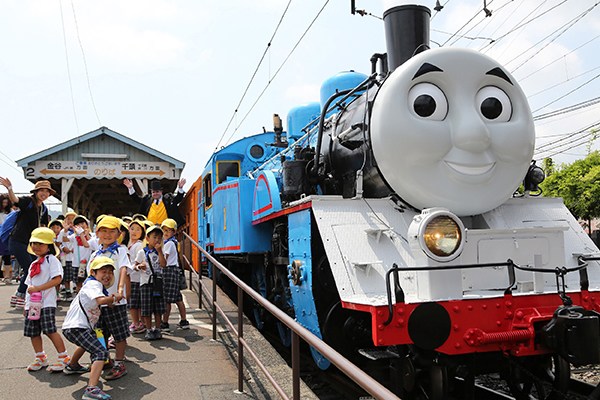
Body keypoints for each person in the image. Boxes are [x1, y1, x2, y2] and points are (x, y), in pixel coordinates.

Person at [62, 256, 123, 400]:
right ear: (93, 273)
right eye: (103, 271)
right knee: (100, 352)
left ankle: (73, 365)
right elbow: (101, 300)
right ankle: (91, 390)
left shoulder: (93, 285)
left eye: (110, 272)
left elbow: (104, 302)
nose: (107, 275)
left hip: (73, 327)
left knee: (88, 343)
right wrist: (115, 298)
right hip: (77, 327)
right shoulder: (93, 284)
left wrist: (112, 300)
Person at [87, 216, 131, 380]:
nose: (107, 234)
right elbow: (90, 277)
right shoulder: (94, 254)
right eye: (103, 231)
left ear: (118, 233)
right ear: (97, 233)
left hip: (116, 300)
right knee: (100, 332)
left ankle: (120, 362)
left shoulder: (120, 250)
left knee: (119, 334)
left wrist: (120, 290)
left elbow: (124, 269)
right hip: (99, 302)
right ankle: (104, 359)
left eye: (112, 231)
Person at [23, 227, 70, 372]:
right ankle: (40, 357)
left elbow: (57, 279)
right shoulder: (33, 264)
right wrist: (26, 306)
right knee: (33, 332)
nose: (36, 246)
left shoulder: (51, 261)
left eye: (41, 243)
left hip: (47, 303)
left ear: (49, 246)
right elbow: (28, 286)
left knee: (50, 330)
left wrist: (38, 288)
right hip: (33, 304)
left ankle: (64, 357)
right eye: (34, 243)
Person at [0, 178, 52, 308]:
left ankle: (17, 296)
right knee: (30, 268)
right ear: (36, 192)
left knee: (35, 268)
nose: (44, 193)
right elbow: (15, 200)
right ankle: (20, 295)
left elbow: (44, 227)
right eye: (41, 190)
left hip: (30, 244)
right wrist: (10, 188)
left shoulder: (44, 209)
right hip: (17, 240)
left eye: (47, 191)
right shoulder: (29, 201)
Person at [133, 225, 166, 340]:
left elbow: (163, 264)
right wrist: (139, 267)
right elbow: (134, 265)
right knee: (146, 307)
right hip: (145, 283)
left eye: (159, 238)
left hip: (158, 283)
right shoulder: (142, 252)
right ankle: (148, 329)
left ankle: (157, 329)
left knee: (158, 307)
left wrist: (160, 251)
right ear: (147, 238)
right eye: (154, 237)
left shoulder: (161, 251)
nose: (157, 240)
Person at [160, 219, 189, 331]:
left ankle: (165, 322)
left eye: (169, 230)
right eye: (164, 230)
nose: (166, 233)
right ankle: (183, 320)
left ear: (174, 232)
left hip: (168, 272)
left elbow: (164, 260)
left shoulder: (169, 244)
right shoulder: (173, 242)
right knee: (177, 297)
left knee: (167, 299)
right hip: (174, 271)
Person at [127, 219, 145, 334]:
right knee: (136, 302)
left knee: (134, 303)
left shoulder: (139, 245)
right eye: (132, 228)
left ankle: (136, 322)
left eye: (138, 229)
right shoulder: (130, 244)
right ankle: (138, 322)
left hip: (136, 277)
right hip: (132, 277)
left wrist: (134, 266)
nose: (134, 231)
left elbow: (140, 260)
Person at [58, 211, 77, 301]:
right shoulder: (63, 231)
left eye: (72, 219)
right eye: (68, 219)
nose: (70, 221)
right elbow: (59, 241)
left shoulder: (77, 231)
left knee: (76, 276)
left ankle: (76, 290)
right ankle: (68, 291)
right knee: (67, 276)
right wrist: (63, 248)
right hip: (65, 257)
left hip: (76, 257)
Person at [1, 194, 13, 284]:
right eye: (3, 203)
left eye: (6, 202)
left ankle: (7, 277)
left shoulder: (11, 212)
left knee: (7, 257)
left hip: (7, 235)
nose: (5, 204)